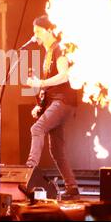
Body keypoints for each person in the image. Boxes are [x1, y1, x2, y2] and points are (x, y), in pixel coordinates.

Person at [25, 15, 79, 201]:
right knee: (56, 150)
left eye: (38, 31)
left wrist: (41, 82)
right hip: (55, 101)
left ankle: (29, 173)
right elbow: (48, 87)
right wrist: (39, 106)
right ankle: (72, 188)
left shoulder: (59, 49)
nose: (35, 36)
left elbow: (65, 76)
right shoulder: (47, 54)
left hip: (63, 101)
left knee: (37, 128)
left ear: (49, 31)